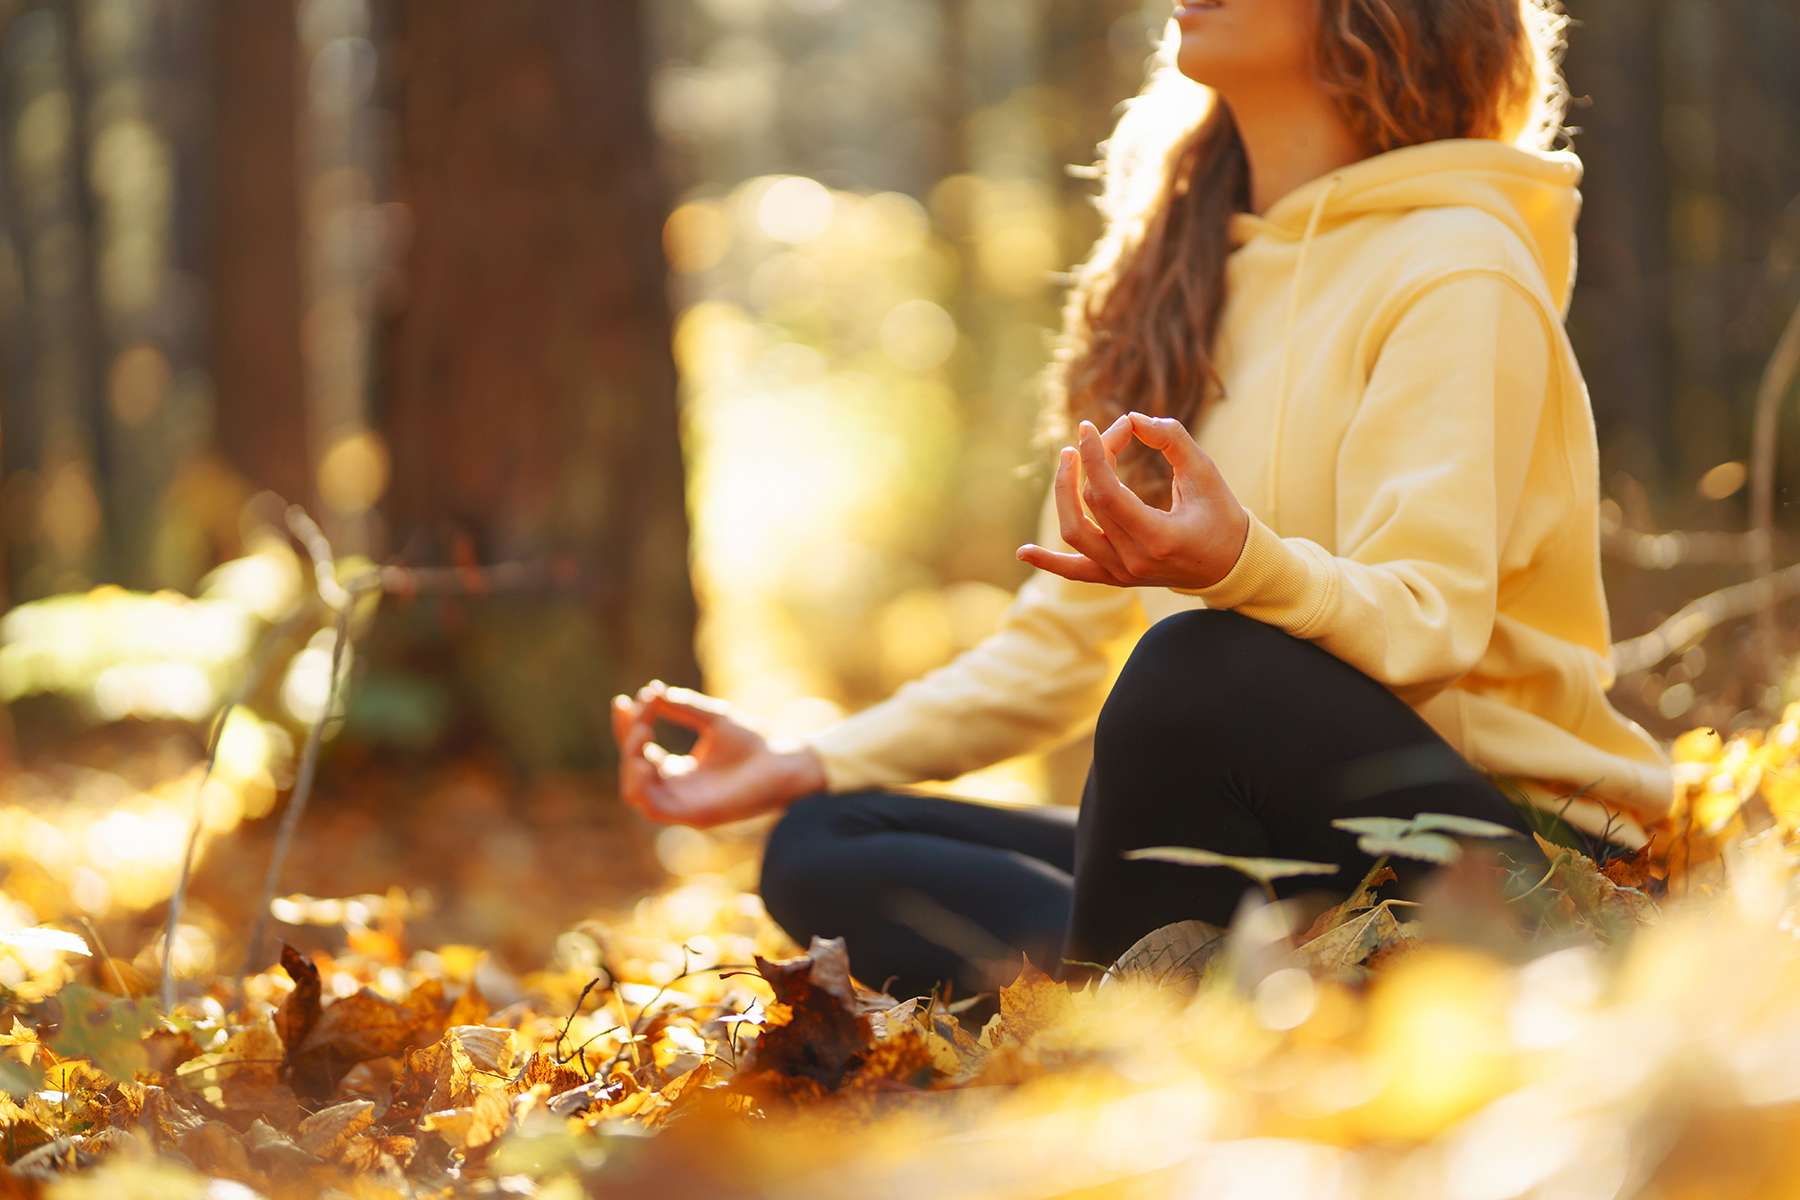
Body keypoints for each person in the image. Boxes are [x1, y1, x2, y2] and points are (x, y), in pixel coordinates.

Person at [610, 0, 1675, 1009]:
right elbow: (1052, 652)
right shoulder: (1178, 274)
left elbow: (1427, 625)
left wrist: (1240, 565)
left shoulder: (1460, 266)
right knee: (822, 840)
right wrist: (799, 759)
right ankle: (1185, 986)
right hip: (1286, 853)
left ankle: (1126, 1013)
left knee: (1196, 669)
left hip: (1505, 856)